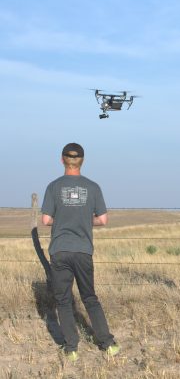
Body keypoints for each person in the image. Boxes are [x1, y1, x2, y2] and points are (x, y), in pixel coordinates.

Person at [41, 142, 120, 361]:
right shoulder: (93, 187)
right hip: (83, 250)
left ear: (61, 160)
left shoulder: (53, 187)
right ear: (82, 161)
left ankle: (71, 348)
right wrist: (84, 220)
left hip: (60, 250)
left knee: (64, 300)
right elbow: (103, 220)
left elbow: (46, 220)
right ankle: (107, 343)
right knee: (89, 297)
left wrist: (63, 220)